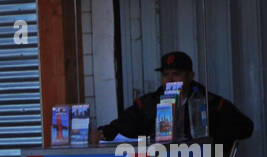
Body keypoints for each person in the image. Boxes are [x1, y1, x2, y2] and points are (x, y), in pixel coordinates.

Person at [98, 51, 254, 150]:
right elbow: (123, 126)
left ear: (190, 76)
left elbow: (245, 127)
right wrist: (102, 134)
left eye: (176, 74)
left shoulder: (210, 102)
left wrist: (206, 137)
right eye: (166, 75)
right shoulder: (147, 104)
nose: (170, 79)